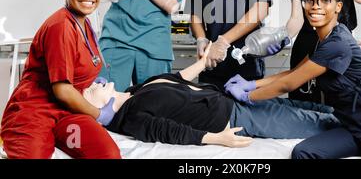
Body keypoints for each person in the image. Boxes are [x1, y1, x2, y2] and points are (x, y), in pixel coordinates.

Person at [225, 0, 361, 159]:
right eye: (310, 0)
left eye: (325, 0)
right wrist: (252, 83)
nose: (315, 6)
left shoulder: (337, 44)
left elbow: (288, 84)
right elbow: (293, 73)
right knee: (304, 152)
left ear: (337, 7)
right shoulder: (322, 42)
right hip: (356, 126)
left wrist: (248, 96)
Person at [83, 42, 340, 147]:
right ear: (98, 112)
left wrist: (204, 61)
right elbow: (169, 131)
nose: (92, 85)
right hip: (233, 118)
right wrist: (216, 139)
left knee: (308, 107)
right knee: (313, 123)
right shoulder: (132, 117)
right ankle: (360, 131)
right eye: (88, 92)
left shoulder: (135, 90)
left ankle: (356, 118)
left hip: (232, 99)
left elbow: (177, 78)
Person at [0, 0, 120, 159]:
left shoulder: (86, 24)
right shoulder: (61, 26)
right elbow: (63, 91)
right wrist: (99, 114)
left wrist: (87, 83)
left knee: (107, 154)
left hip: (67, 114)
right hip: (35, 112)